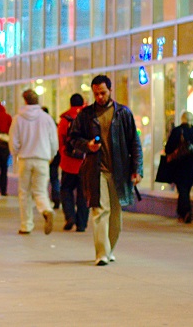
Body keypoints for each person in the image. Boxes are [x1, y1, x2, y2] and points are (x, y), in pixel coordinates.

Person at [69, 75, 143, 266]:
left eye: (103, 93)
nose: (100, 97)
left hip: (120, 170)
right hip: (96, 169)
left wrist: (137, 169)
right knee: (100, 210)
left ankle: (109, 248)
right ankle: (101, 253)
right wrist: (88, 145)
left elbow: (134, 143)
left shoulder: (123, 114)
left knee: (116, 214)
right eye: (96, 94)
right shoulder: (86, 115)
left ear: (110, 90)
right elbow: (73, 138)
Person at [9, 89, 59, 235]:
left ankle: (26, 225)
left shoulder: (18, 118)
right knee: (40, 191)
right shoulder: (46, 118)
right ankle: (46, 210)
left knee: (24, 193)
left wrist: (16, 154)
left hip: (25, 159)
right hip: (42, 159)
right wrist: (50, 155)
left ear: (24, 100)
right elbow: (54, 141)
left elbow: (14, 141)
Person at [164, 111, 193, 223]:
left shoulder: (177, 131)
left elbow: (168, 148)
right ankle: (181, 213)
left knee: (182, 189)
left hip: (179, 165)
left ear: (182, 119)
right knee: (185, 189)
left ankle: (187, 212)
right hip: (192, 166)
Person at [59, 93, 88, 232]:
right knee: (83, 194)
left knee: (66, 190)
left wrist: (62, 155)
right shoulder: (88, 117)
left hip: (68, 162)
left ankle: (70, 216)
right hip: (85, 162)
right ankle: (81, 224)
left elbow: (60, 140)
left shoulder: (65, 119)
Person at [43, 106, 61, 209]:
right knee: (54, 178)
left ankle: (45, 201)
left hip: (45, 155)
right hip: (55, 154)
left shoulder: (40, 125)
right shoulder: (53, 123)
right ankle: (56, 198)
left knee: (44, 179)